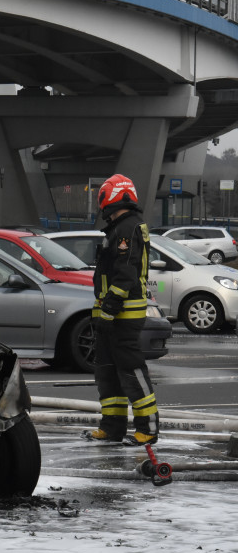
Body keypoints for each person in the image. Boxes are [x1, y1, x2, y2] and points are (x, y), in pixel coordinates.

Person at [84, 174, 159, 446]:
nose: (99, 204)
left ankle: (147, 429)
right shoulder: (120, 228)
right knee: (107, 372)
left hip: (122, 315)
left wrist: (110, 310)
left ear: (110, 197)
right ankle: (112, 427)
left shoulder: (127, 228)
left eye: (101, 198)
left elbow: (125, 275)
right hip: (111, 314)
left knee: (130, 370)